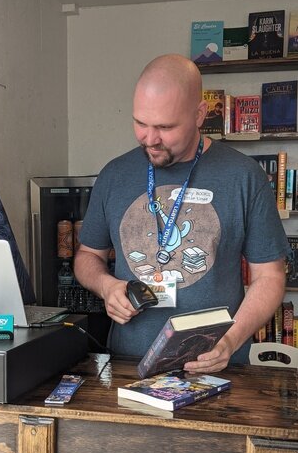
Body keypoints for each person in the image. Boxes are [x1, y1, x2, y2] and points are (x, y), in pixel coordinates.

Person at [74, 53, 289, 373]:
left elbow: (269, 276)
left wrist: (230, 340)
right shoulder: (114, 175)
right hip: (127, 364)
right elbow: (87, 256)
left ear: (200, 114)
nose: (149, 139)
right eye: (140, 123)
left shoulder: (244, 176)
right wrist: (106, 286)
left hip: (218, 366)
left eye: (165, 126)